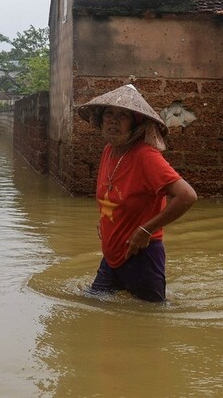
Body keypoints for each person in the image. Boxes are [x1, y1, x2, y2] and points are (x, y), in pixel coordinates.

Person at [76, 84, 197, 302]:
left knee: (150, 318)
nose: (114, 120)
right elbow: (114, 196)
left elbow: (187, 196)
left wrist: (145, 230)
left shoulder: (145, 155)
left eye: (123, 116)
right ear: (100, 120)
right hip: (113, 256)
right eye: (109, 114)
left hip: (142, 256)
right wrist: (104, 219)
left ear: (135, 124)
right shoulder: (109, 151)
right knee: (92, 304)